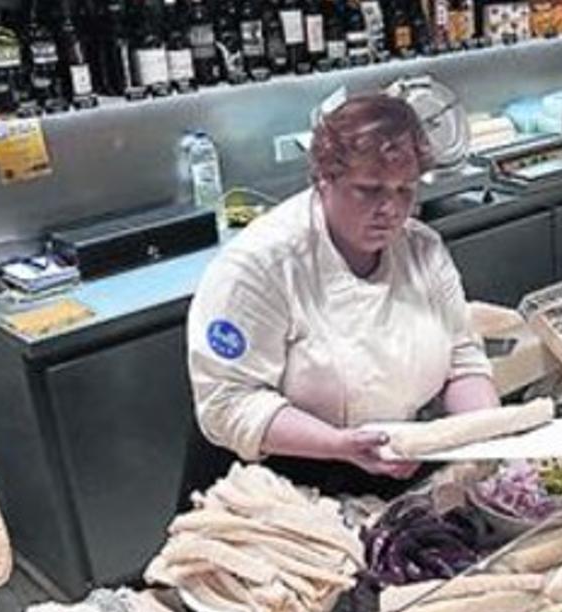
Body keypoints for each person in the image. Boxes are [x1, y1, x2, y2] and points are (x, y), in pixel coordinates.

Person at [187, 94, 499, 493]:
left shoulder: (423, 250)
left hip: (395, 466)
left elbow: (463, 359)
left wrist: (491, 439)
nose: (390, 208)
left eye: (405, 190)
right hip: (282, 485)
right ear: (323, 179)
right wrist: (337, 445)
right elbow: (229, 402)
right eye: (369, 190)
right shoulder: (259, 267)